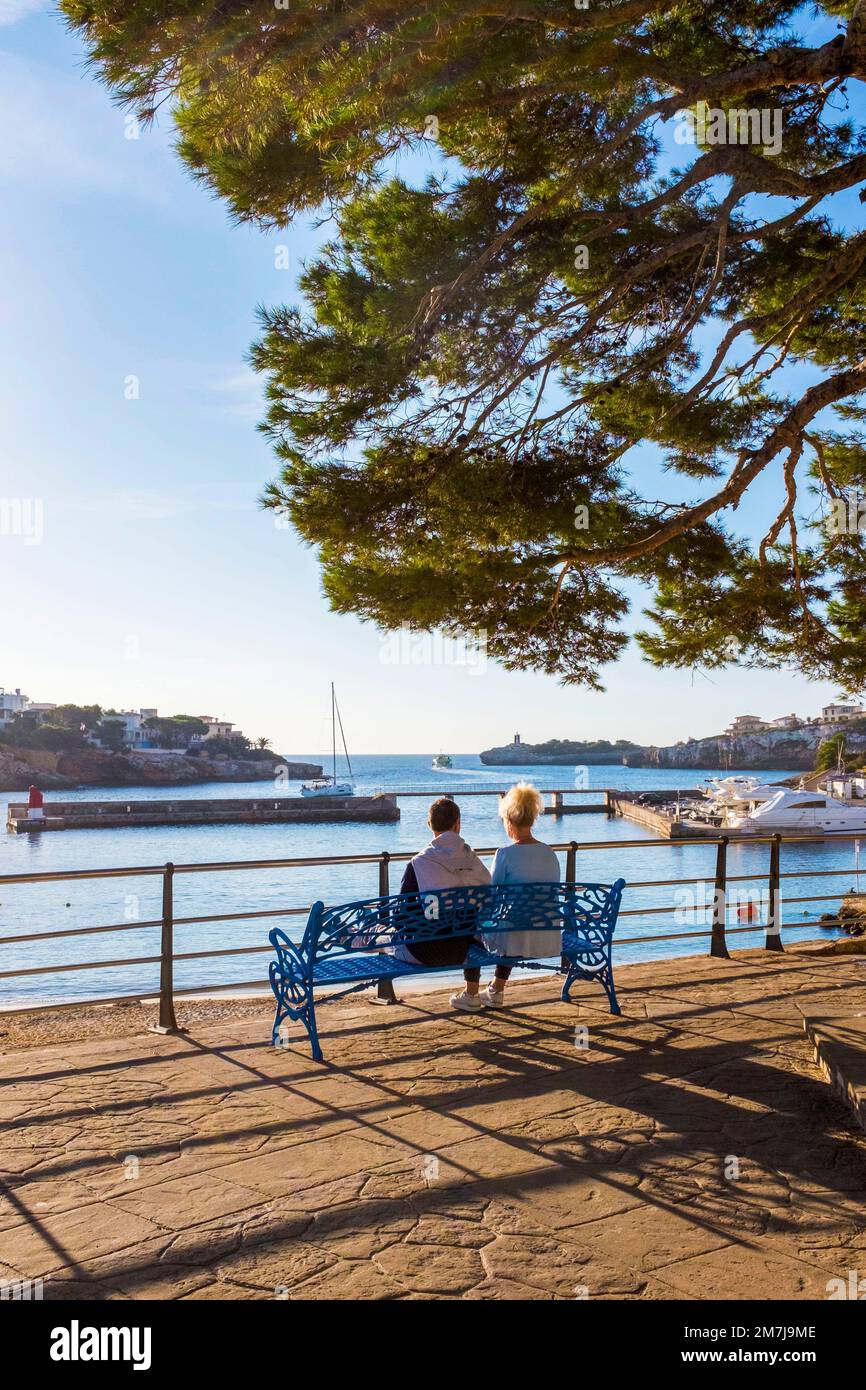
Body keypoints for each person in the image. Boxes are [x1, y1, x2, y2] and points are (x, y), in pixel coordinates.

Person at [451, 782, 561, 1012]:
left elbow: (489, 894)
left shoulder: (505, 854)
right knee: (513, 919)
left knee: (469, 925)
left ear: (509, 821)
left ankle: (471, 994)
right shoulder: (549, 853)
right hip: (546, 934)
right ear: (532, 819)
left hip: (516, 935)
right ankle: (496, 990)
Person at [393, 798, 491, 968]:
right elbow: (489, 900)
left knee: (384, 935)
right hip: (461, 949)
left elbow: (399, 917)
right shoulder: (473, 861)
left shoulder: (418, 863)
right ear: (457, 824)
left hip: (422, 953)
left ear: (429, 824)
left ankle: (347, 934)